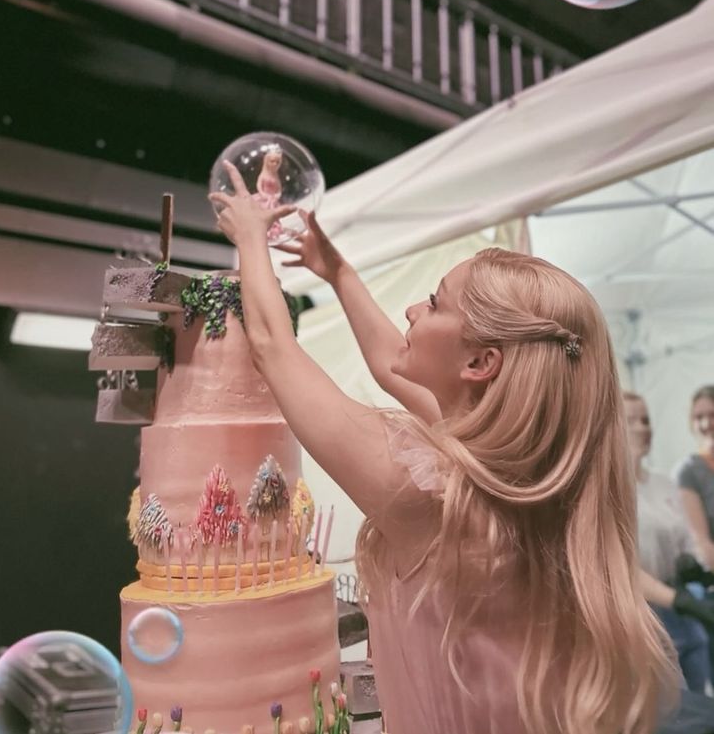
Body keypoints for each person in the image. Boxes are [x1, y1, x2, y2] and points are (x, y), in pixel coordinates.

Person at [210, 170, 678, 734]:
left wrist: (249, 237)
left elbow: (271, 347)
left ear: (480, 364)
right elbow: (390, 365)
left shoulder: (433, 498)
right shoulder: (513, 480)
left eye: (435, 303)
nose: (412, 310)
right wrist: (336, 271)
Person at [623, 392, 712, 693]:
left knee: (701, 703)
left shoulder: (664, 484)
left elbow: (689, 539)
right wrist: (681, 601)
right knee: (677, 710)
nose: (642, 427)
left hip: (683, 609)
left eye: (646, 419)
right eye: (631, 420)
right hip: (645, 617)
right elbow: (622, 567)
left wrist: (693, 565)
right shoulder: (611, 493)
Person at [677, 387, 714, 571]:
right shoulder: (688, 471)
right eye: (699, 417)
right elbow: (701, 543)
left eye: (712, 414)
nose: (707, 424)